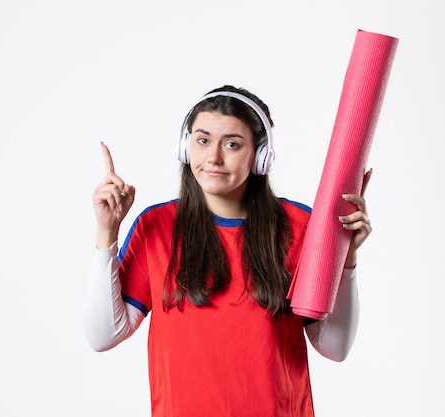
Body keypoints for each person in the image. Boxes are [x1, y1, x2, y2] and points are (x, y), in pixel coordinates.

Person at [82, 85, 372, 417]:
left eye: (232, 144)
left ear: (261, 157)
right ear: (185, 147)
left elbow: (334, 348)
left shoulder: (301, 226)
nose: (214, 158)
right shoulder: (156, 226)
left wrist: (346, 261)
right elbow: (103, 335)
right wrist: (107, 232)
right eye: (202, 141)